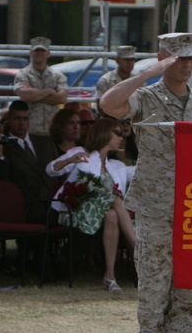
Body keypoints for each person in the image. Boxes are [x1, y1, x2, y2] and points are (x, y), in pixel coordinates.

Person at [100, 33, 192, 333]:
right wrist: (146, 74)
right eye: (178, 58)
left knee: (190, 282)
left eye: (190, 58)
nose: (186, 64)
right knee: (154, 278)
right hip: (155, 204)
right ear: (163, 57)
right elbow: (108, 104)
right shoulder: (146, 98)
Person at [46, 117, 136, 291]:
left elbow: (141, 171)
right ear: (104, 133)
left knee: (112, 214)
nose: (121, 137)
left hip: (103, 213)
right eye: (117, 133)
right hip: (76, 211)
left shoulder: (116, 165)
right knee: (116, 198)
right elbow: (50, 170)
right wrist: (69, 161)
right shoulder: (80, 152)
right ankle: (136, 242)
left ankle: (110, 276)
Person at [0, 100, 60, 223]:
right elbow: (1, 180)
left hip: (54, 199)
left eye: (25, 119)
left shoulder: (45, 142)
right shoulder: (1, 147)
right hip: (27, 203)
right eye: (17, 119)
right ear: (9, 120)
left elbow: (59, 171)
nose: (21, 123)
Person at [14, 37, 69, 137]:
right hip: (30, 130)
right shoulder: (23, 74)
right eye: (36, 50)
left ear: (48, 53)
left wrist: (34, 92)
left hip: (52, 129)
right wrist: (50, 90)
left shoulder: (57, 76)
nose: (39, 53)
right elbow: (25, 95)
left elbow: (62, 98)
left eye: (42, 50)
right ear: (31, 53)